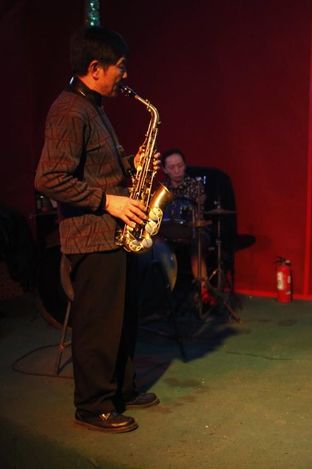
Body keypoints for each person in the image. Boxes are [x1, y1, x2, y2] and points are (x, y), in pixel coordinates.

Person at [34, 25, 160, 433]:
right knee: (98, 325)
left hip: (114, 234)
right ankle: (92, 405)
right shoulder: (69, 110)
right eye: (120, 68)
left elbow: (100, 168)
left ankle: (120, 389)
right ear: (95, 67)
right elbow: (49, 179)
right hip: (92, 234)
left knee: (122, 318)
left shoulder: (94, 108)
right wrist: (110, 200)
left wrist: (134, 167)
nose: (125, 75)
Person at [159, 148, 212, 303]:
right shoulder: (162, 189)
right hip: (168, 233)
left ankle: (202, 290)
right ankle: (163, 292)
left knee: (199, 241)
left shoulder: (195, 186)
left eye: (180, 165)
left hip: (192, 231)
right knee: (153, 243)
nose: (177, 170)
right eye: (172, 167)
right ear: (165, 170)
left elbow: (200, 217)